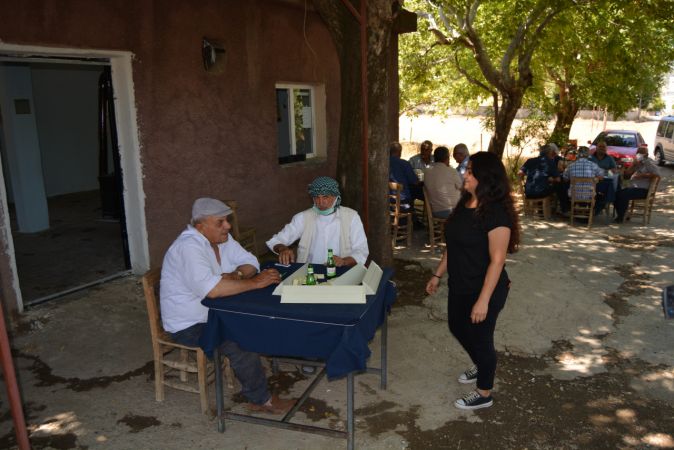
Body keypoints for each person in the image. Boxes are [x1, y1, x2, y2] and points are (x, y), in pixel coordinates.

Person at [160, 198, 294, 414]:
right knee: (240, 342)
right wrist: (253, 282)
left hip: (216, 310)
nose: (228, 226)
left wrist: (238, 275)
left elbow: (252, 261)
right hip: (190, 323)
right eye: (221, 222)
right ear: (200, 226)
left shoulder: (222, 239)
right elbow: (212, 290)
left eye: (227, 221)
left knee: (264, 317)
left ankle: (258, 369)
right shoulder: (188, 248)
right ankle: (260, 400)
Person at [426, 152, 520, 410]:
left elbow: (497, 261)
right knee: (457, 326)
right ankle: (481, 363)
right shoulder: (464, 204)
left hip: (485, 288)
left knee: (481, 339)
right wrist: (437, 274)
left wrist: (483, 301)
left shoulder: (497, 214)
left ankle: (484, 392)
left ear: (484, 178)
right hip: (460, 284)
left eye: (469, 172)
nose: (464, 175)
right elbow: (452, 245)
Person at [266, 176, 369, 267]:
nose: (320, 202)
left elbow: (361, 250)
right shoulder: (303, 218)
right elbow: (275, 241)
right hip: (310, 272)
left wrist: (343, 261)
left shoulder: (351, 217)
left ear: (335, 197)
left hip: (341, 270)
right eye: (316, 197)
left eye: (325, 197)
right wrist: (282, 249)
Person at [614, 147, 660, 223]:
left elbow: (657, 175)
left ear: (646, 154)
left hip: (643, 190)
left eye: (641, 153)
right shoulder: (638, 162)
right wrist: (633, 165)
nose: (639, 154)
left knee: (623, 195)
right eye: (638, 152)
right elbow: (626, 175)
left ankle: (621, 216)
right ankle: (622, 214)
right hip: (633, 188)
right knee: (616, 193)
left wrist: (643, 175)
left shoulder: (649, 163)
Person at [562, 146, 605, 216]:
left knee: (563, 188)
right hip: (589, 195)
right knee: (602, 194)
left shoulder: (571, 166)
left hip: (574, 195)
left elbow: (565, 178)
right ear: (588, 154)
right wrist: (596, 178)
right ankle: (592, 212)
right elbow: (602, 176)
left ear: (578, 154)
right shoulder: (593, 165)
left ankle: (568, 209)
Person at [422, 146, 462, 218]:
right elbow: (462, 188)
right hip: (453, 210)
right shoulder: (451, 171)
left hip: (435, 211)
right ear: (447, 158)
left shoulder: (427, 171)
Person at [389, 141, 422, 208]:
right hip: (402, 199)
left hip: (387, 197)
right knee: (414, 191)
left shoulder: (384, 163)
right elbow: (415, 182)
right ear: (399, 152)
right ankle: (411, 214)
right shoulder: (404, 164)